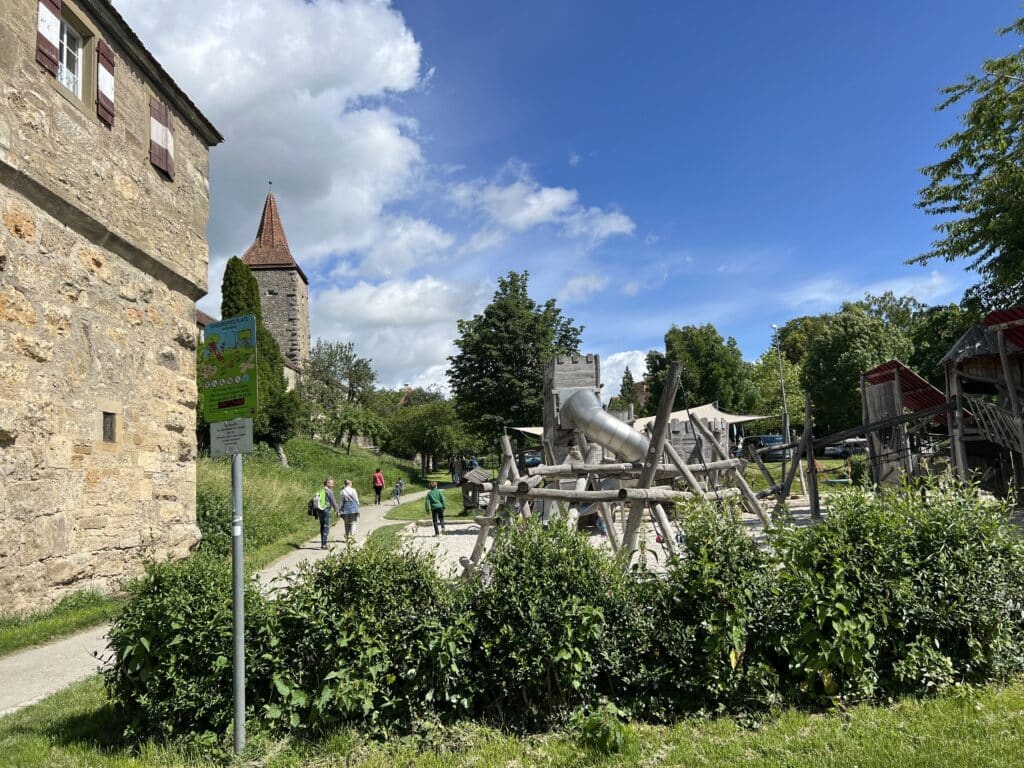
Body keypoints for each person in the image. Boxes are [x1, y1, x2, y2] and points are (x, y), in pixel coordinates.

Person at [314, 478, 339, 550]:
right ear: (327, 483)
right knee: (326, 526)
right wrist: (337, 511)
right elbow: (333, 502)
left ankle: (323, 543)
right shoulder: (329, 491)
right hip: (326, 510)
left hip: (320, 510)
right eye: (332, 483)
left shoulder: (320, 490)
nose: (333, 484)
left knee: (322, 526)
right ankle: (324, 544)